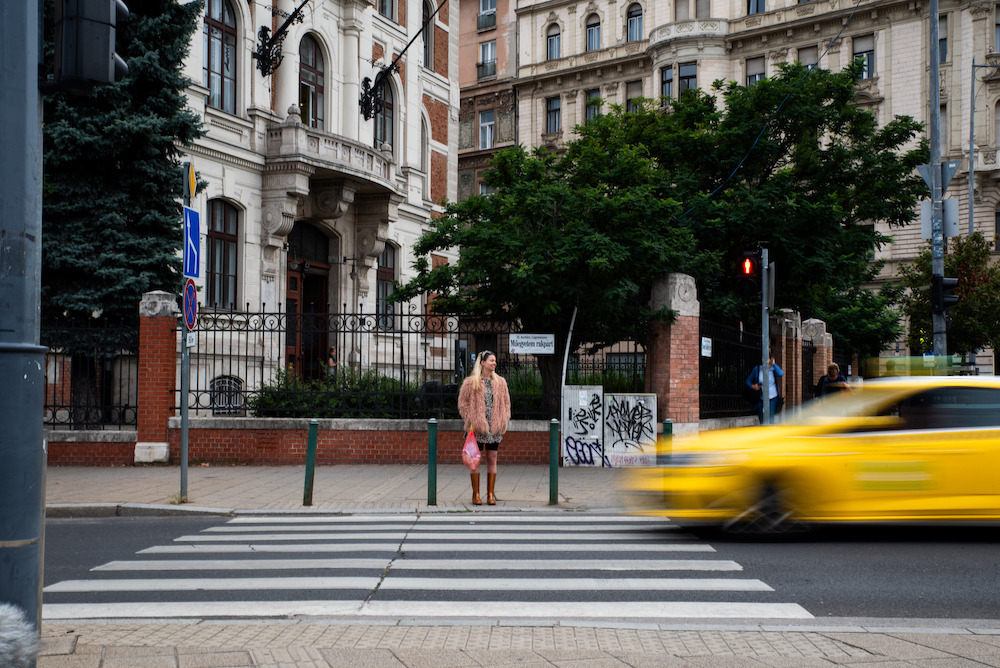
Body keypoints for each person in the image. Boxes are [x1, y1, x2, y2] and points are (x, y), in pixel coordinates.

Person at [458, 350, 511, 505]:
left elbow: (506, 404)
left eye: (495, 360)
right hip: (476, 428)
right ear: (483, 362)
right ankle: (476, 494)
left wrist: (503, 419)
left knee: (492, 459)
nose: (494, 363)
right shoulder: (470, 382)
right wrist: (471, 419)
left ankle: (490, 495)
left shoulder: (500, 382)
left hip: (494, 428)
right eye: (491, 360)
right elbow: (463, 404)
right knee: (475, 460)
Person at [746, 354, 784, 424]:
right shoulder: (757, 369)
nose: (765, 360)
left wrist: (774, 364)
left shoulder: (773, 369)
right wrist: (753, 386)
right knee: (762, 419)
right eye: (763, 358)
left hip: (772, 397)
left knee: (770, 418)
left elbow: (781, 374)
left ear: (771, 359)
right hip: (761, 398)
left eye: (767, 358)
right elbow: (747, 382)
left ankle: (770, 429)